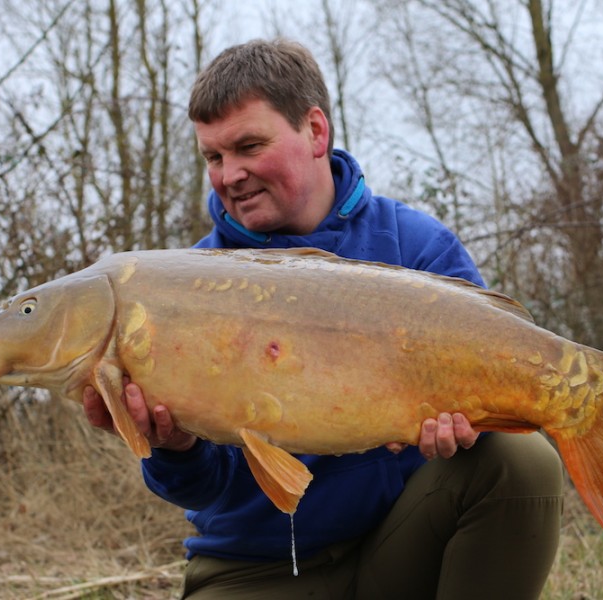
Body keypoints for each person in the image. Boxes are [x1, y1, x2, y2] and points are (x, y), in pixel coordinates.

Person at [83, 38, 563, 599]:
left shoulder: (415, 246)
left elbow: (488, 393)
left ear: (315, 131)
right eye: (214, 157)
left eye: (249, 146)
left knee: (520, 459)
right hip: (254, 568)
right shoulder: (184, 290)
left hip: (402, 543)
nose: (229, 174)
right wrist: (173, 446)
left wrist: (469, 427)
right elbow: (205, 489)